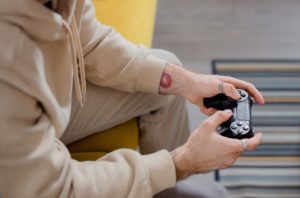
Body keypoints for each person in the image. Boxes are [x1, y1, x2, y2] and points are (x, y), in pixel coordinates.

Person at [0, 0, 265, 197]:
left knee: (166, 73)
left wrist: (186, 82)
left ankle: (171, 191)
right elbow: (56, 189)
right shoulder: (9, 55)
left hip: (32, 109)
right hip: (21, 174)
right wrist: (181, 163)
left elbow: (89, 41)